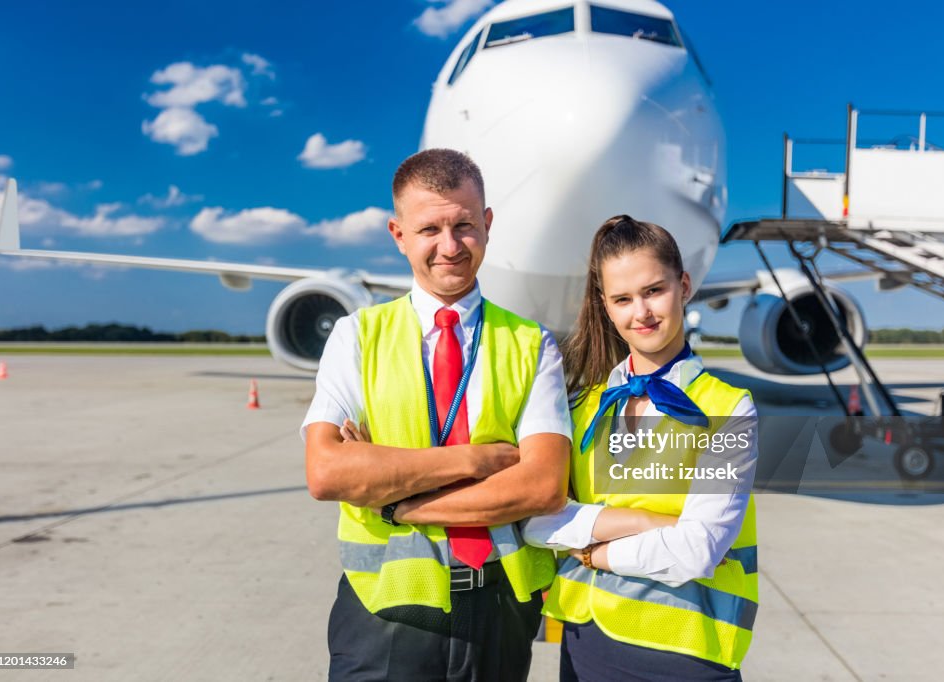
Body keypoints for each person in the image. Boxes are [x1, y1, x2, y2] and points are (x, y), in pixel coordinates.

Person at [300, 148, 572, 681]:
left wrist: (398, 500)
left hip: (499, 608)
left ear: (487, 225)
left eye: (464, 226)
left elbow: (542, 487)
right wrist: (478, 460)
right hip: (383, 609)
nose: (449, 247)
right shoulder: (358, 336)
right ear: (398, 234)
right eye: (429, 229)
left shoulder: (531, 344)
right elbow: (328, 472)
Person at [523, 215, 759, 681]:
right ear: (606, 308)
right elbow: (533, 520)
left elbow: (696, 550)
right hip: (582, 644)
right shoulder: (581, 408)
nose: (641, 313)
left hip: (684, 653)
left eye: (654, 291)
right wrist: (648, 524)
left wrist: (592, 551)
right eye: (622, 299)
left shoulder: (730, 408)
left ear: (684, 285)